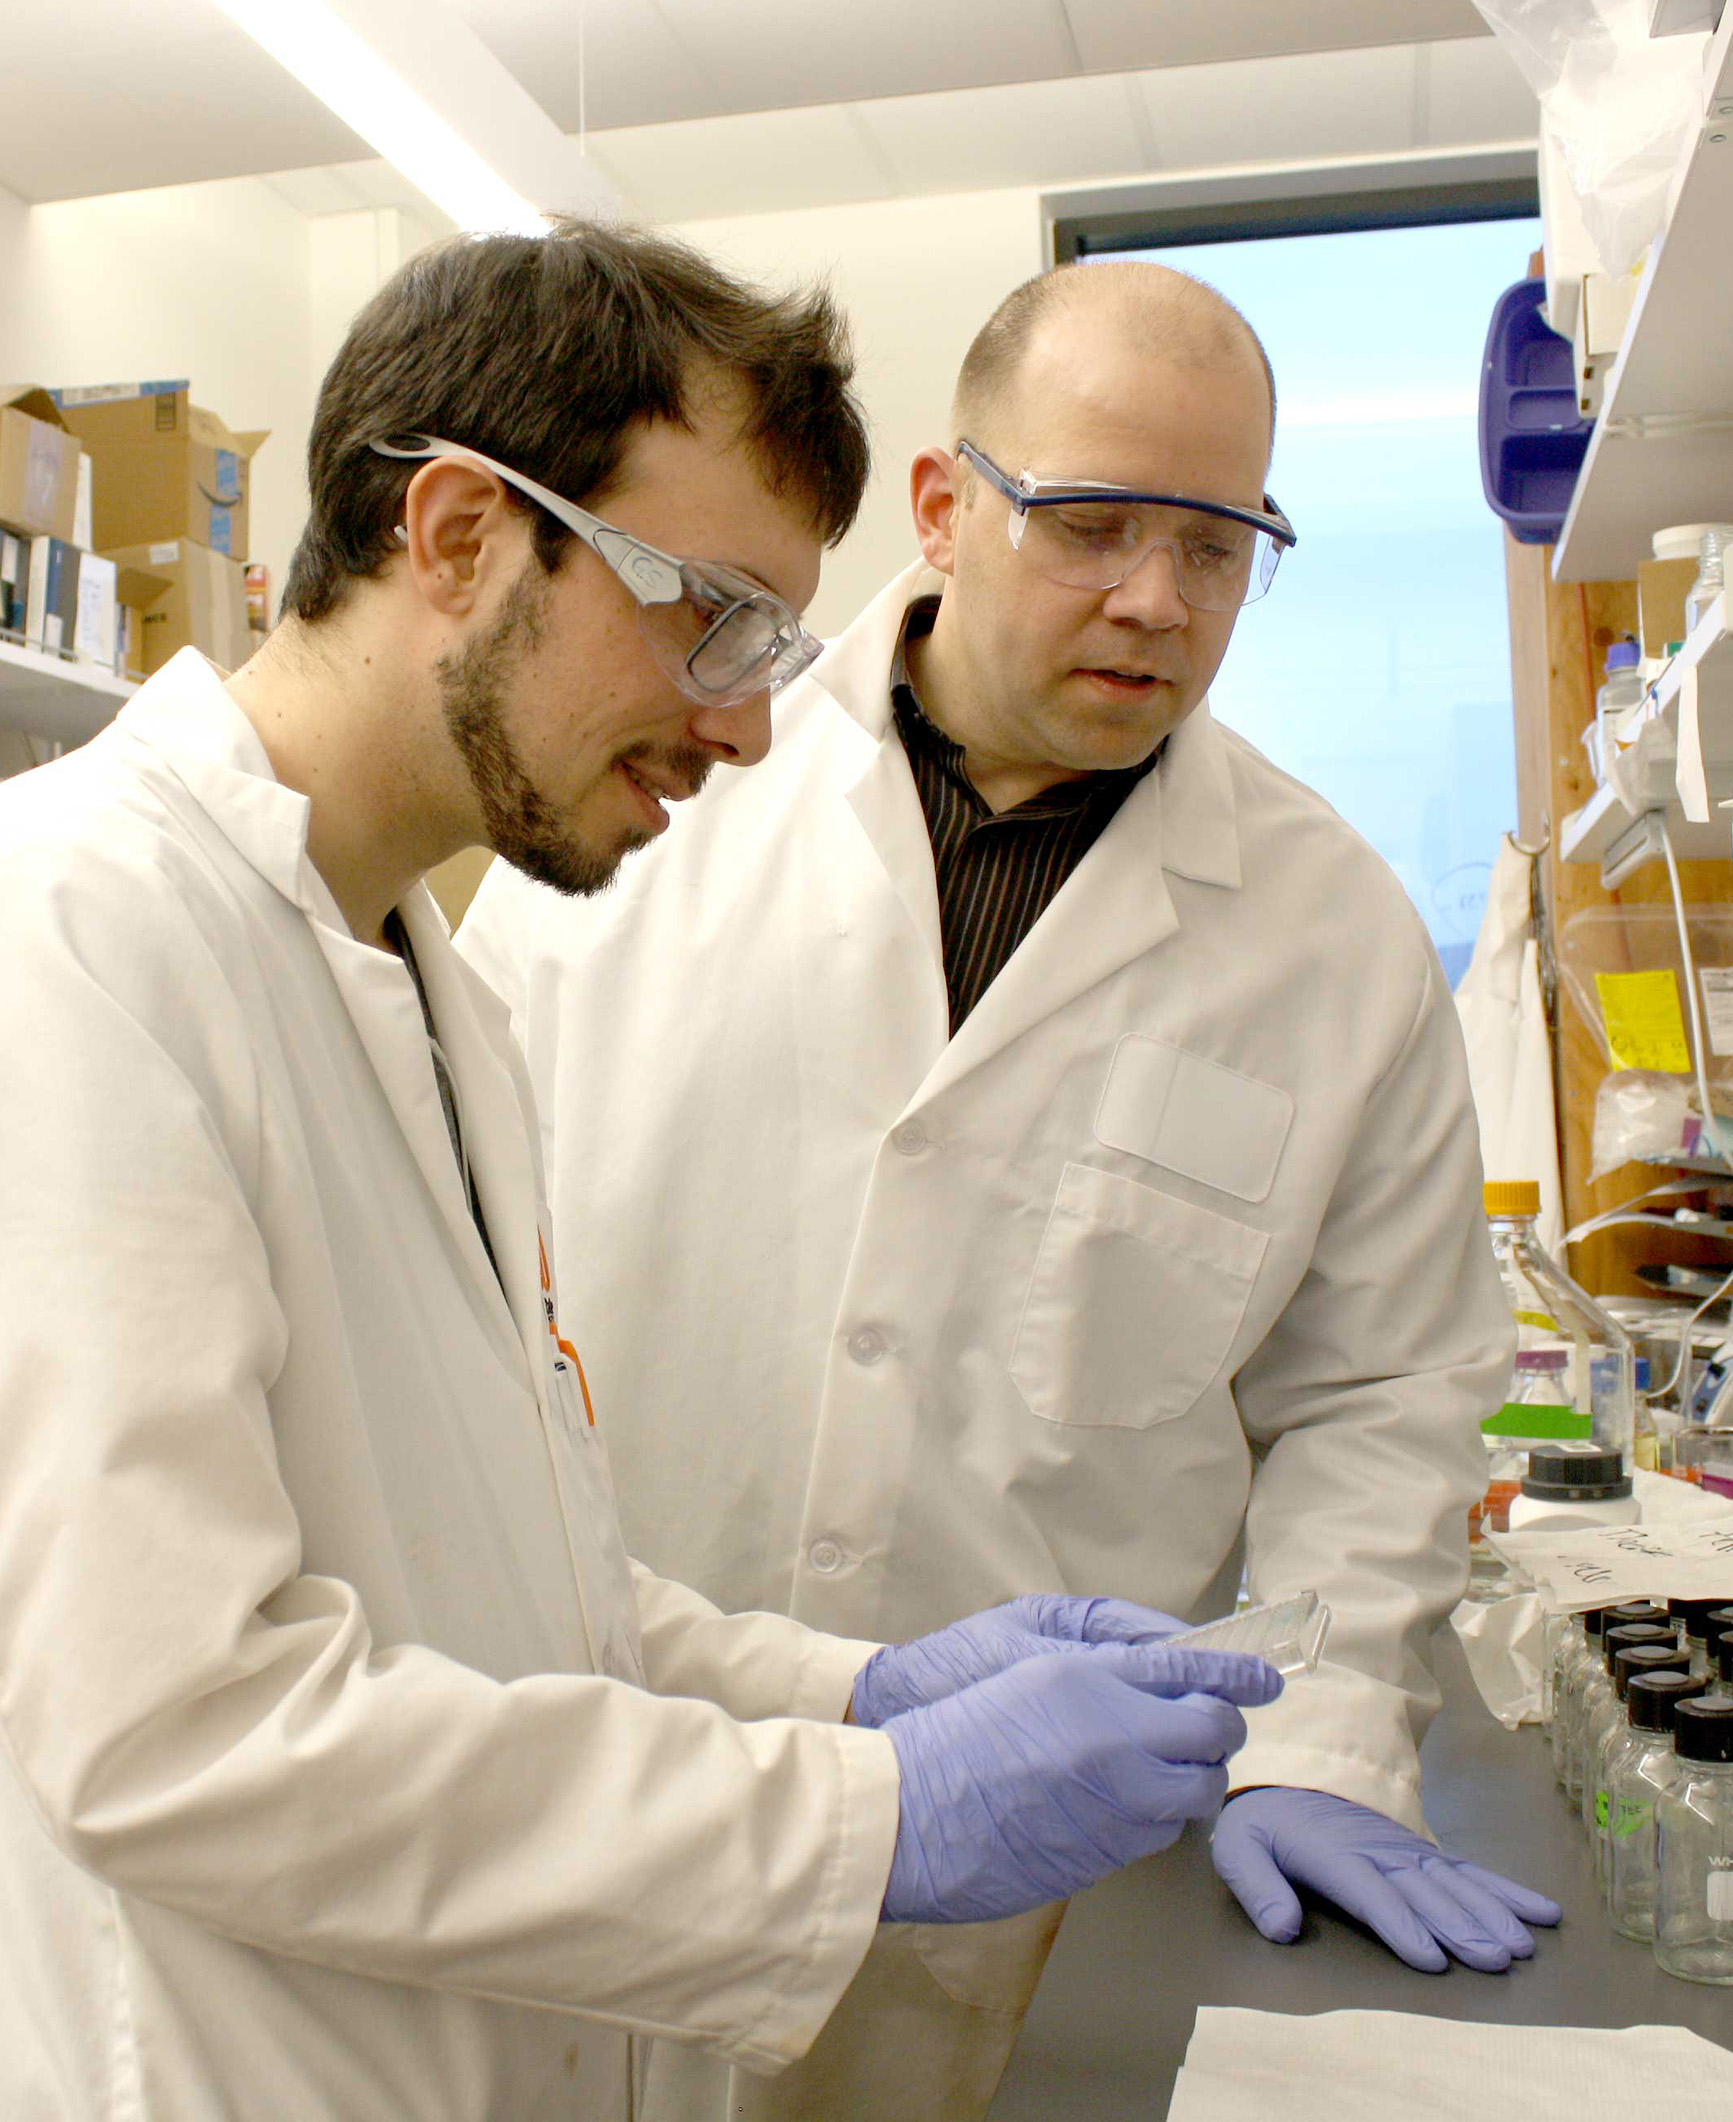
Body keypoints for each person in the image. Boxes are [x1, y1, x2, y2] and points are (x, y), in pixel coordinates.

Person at [0, 224, 1285, 2120]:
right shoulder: (72, 936)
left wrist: (864, 1695)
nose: (755, 722)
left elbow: (537, 1598)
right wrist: (877, 1813)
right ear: (452, 535)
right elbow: (182, 1725)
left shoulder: (431, 988)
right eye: (711, 613)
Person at [458, 257, 1562, 2119]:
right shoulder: (653, 797)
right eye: (1094, 521)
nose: (1158, 598)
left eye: (1219, 545)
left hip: (1016, 1908)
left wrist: (1321, 1739)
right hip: (611, 1794)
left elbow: (1382, 1395)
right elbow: (457, 1257)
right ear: (947, 507)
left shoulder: (1333, 934)